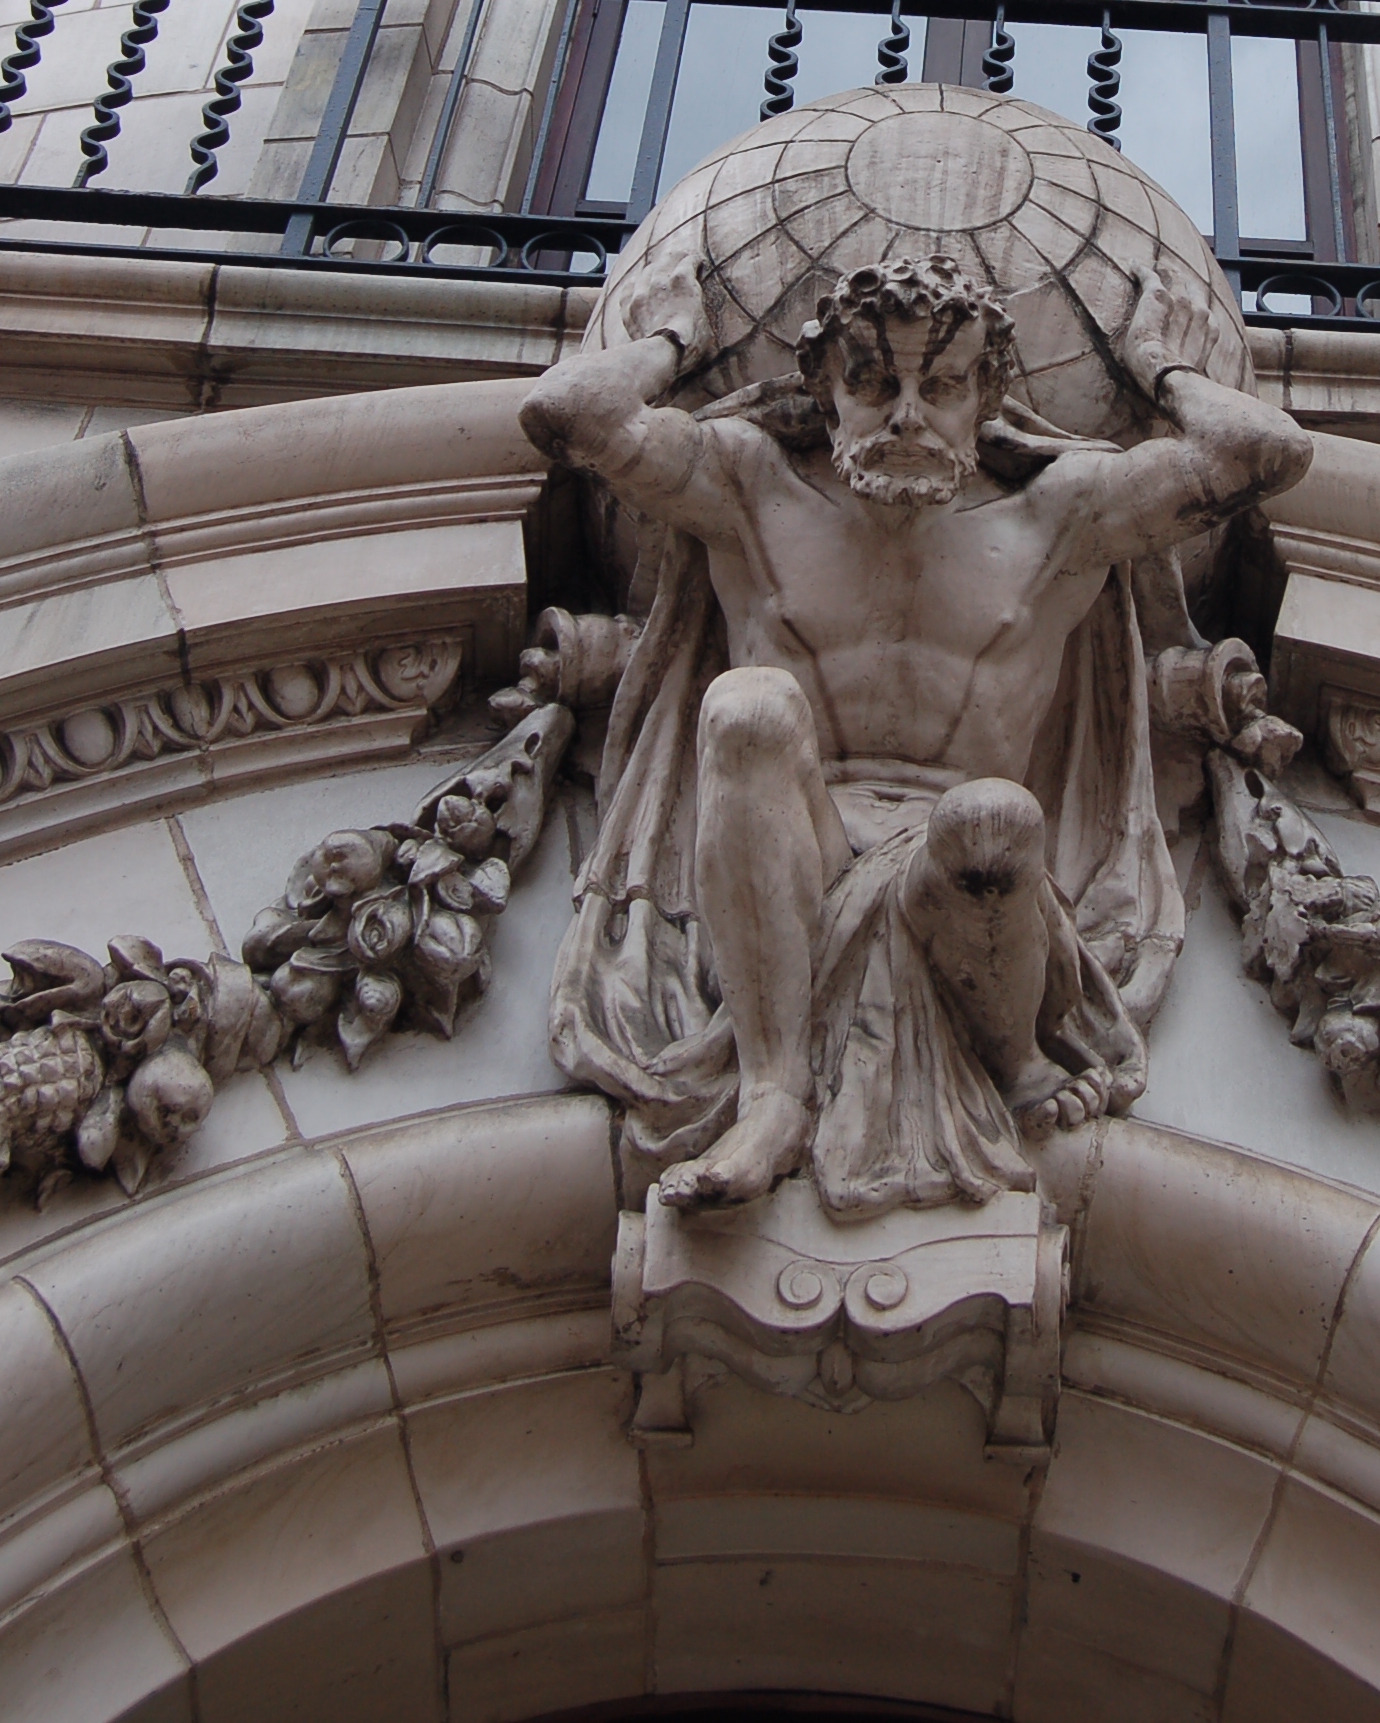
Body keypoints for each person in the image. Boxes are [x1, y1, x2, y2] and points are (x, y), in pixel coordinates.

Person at [522, 247, 1312, 1215]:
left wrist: (1163, 367)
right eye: (871, 381)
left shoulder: (1057, 515)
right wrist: (668, 338)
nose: (905, 414)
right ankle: (772, 1095)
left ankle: (1012, 1055)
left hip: (970, 864)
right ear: (823, 391)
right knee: (750, 707)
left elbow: (1264, 455)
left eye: (939, 386)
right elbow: (570, 415)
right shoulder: (751, 487)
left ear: (984, 395)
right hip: (796, 841)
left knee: (991, 818)